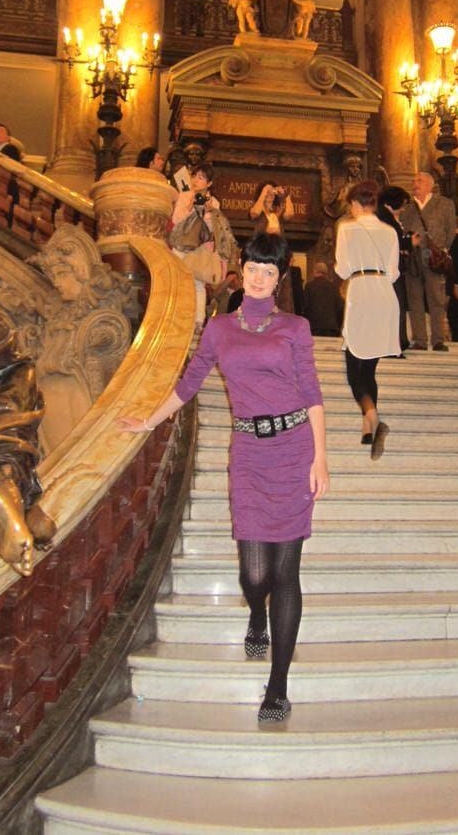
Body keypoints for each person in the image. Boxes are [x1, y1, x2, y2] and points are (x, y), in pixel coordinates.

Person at [118, 232, 329, 722]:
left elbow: (312, 392)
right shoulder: (218, 330)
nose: (258, 277)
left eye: (268, 271)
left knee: (286, 572)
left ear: (279, 280)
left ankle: (277, 685)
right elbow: (190, 382)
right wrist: (149, 419)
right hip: (250, 455)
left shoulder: (295, 327)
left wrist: (321, 457)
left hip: (294, 449)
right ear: (242, 271)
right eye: (253, 268)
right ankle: (257, 612)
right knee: (255, 575)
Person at [335, 182, 400, 458]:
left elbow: (342, 268)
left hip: (360, 291)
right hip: (385, 293)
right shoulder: (389, 231)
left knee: (353, 366)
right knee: (369, 366)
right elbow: (395, 272)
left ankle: (371, 414)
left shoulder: (347, 228)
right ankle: (368, 421)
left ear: (356, 204)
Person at [168, 162, 237, 326]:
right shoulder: (185, 195)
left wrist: (208, 213)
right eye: (194, 176)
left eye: (201, 178)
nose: (196, 180)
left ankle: (198, 321)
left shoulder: (214, 203)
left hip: (200, 248)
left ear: (209, 183)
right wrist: (190, 207)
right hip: (181, 245)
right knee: (177, 280)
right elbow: (176, 220)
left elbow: (214, 229)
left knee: (198, 283)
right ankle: (177, 318)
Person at [399, 172, 457, 351]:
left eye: (420, 181)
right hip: (412, 259)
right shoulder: (407, 208)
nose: (415, 184)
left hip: (434, 257)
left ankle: (438, 339)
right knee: (414, 299)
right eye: (414, 181)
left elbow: (451, 230)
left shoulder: (445, 204)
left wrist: (441, 249)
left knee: (436, 299)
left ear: (430, 185)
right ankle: (420, 340)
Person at [376, 184, 412, 352]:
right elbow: (392, 241)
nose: (403, 209)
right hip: (389, 270)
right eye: (403, 204)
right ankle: (397, 342)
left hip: (388, 268)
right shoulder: (385, 218)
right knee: (396, 305)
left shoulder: (384, 216)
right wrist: (410, 242)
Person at [249, 182, 296, 311]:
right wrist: (264, 191)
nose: (270, 195)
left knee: (281, 285)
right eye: (267, 193)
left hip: (278, 254)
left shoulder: (278, 211)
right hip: (262, 254)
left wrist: (285, 195)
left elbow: (290, 214)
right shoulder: (258, 210)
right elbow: (254, 212)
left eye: (271, 193)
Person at [303, 262, 344, 337]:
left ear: (314, 271)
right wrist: (337, 325)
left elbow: (305, 307)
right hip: (331, 328)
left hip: (314, 327)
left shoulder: (309, 286)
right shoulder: (334, 287)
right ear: (326, 273)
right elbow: (340, 308)